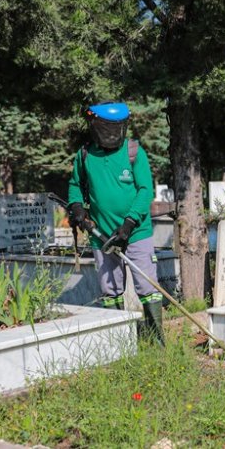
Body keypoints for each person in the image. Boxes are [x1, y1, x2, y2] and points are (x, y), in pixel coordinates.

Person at [67, 102, 164, 345]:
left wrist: (129, 224)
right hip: (101, 235)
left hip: (136, 232)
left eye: (115, 128)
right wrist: (77, 207)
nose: (111, 133)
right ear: (96, 126)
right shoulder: (86, 154)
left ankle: (156, 342)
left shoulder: (133, 152)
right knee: (110, 289)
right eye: (106, 128)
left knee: (147, 286)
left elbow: (145, 191)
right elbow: (75, 185)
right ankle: (119, 341)